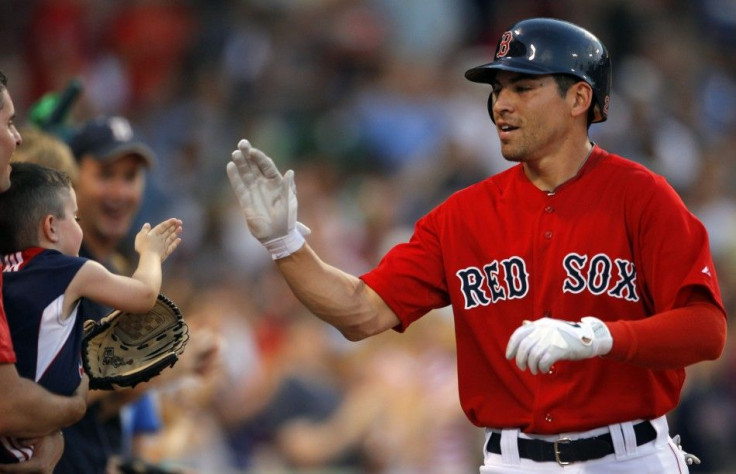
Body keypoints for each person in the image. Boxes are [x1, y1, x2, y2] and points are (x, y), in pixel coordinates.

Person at [225, 17, 727, 473]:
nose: (501, 104)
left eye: (523, 87)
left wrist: (600, 338)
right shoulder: (462, 216)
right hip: (513, 461)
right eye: (498, 88)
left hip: (628, 458)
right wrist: (285, 242)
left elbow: (706, 330)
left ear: (579, 99)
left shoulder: (642, 197)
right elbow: (360, 312)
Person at [0, 162, 182, 465]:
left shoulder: (5, 270)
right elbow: (144, 294)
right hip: (29, 447)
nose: (79, 226)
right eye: (75, 217)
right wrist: (150, 254)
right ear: (50, 227)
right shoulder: (70, 271)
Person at [0, 71, 89, 474]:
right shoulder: (71, 272)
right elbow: (10, 405)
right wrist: (77, 404)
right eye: (8, 122)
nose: (16, 139)